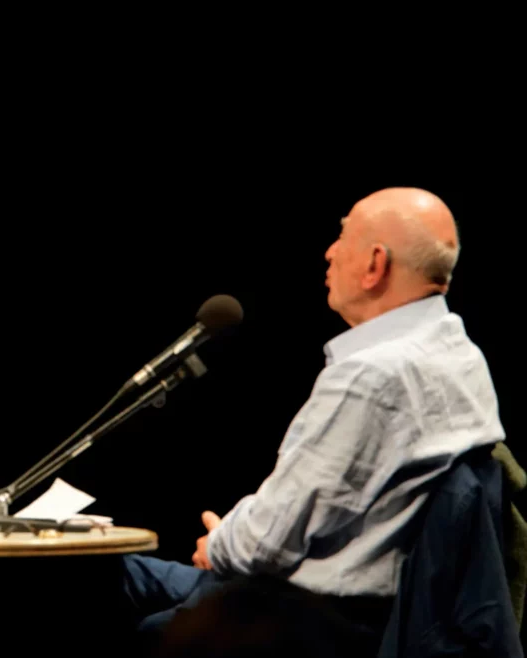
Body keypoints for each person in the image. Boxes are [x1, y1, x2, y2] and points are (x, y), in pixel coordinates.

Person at [119, 187, 508, 654]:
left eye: (342, 236)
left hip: (309, 619)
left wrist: (220, 542)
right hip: (344, 603)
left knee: (97, 592)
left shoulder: (374, 376)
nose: (329, 252)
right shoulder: (460, 355)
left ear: (374, 265)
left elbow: (264, 546)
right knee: (109, 573)